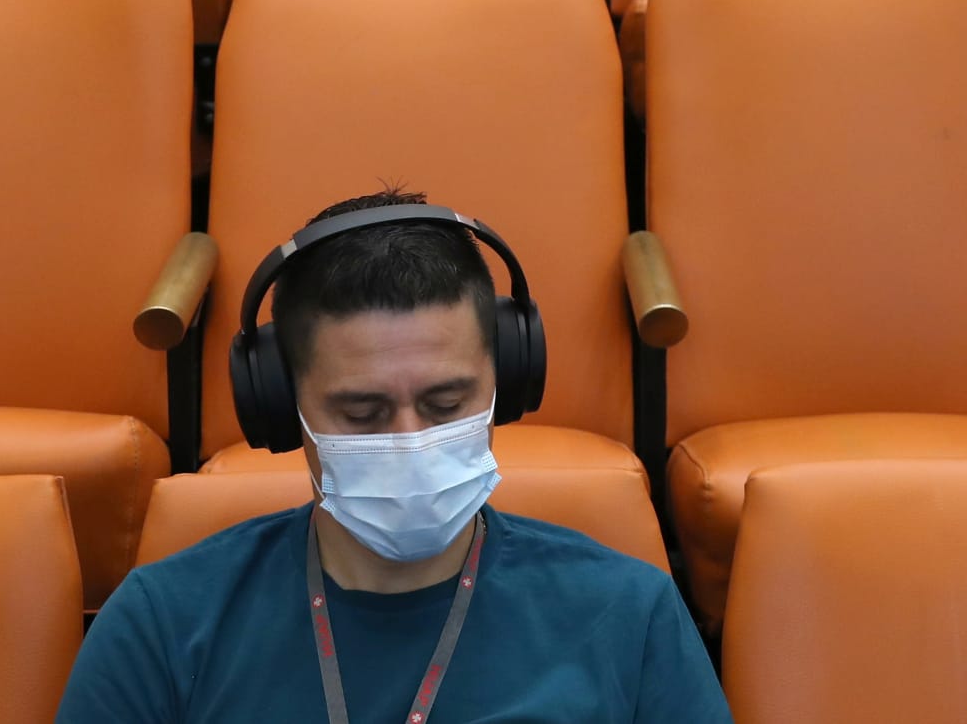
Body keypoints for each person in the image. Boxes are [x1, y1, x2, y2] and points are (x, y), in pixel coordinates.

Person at [56, 190, 732, 724]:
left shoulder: (629, 614)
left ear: (509, 381)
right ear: (279, 405)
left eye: (445, 404)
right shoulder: (162, 623)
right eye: (363, 413)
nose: (409, 437)